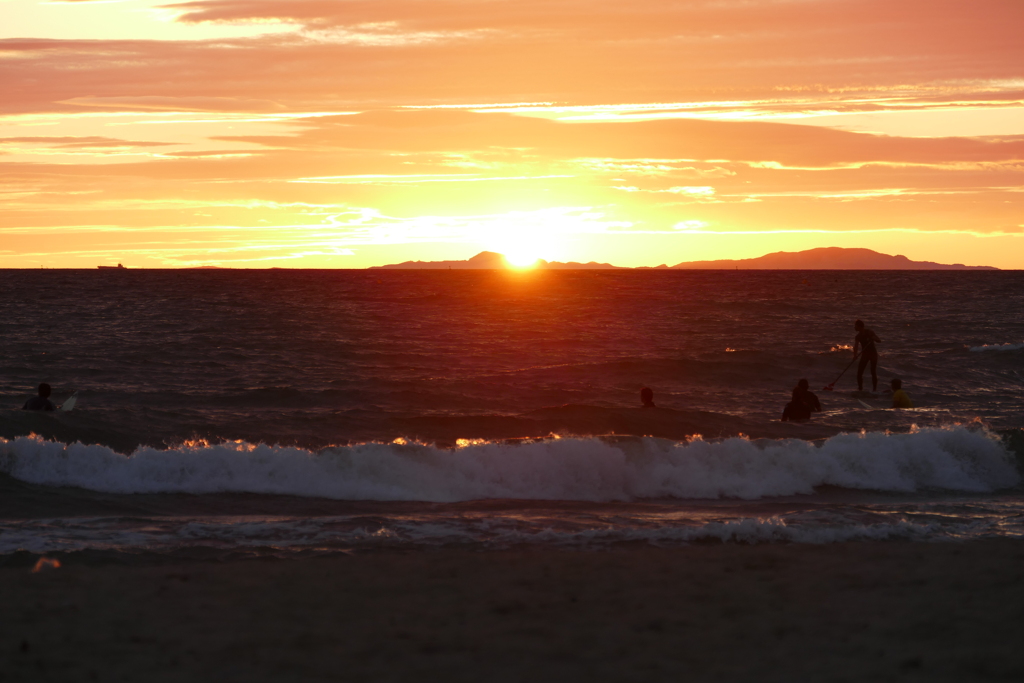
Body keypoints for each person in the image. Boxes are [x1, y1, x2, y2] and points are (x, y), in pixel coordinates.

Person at [853, 320, 881, 392]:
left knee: (873, 372)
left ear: (859, 326)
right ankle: (860, 389)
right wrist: (855, 356)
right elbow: (856, 346)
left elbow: (879, 340)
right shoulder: (858, 336)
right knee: (859, 373)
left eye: (855, 326)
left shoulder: (869, 332)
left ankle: (874, 389)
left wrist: (873, 338)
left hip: (873, 354)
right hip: (865, 355)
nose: (854, 327)